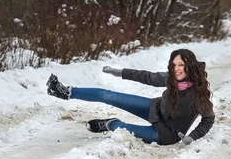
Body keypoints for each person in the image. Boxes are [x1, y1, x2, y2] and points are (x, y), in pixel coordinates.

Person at [46, 48, 214, 145]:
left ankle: (109, 124)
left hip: (166, 134)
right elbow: (147, 76)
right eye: (174, 65)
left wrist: (193, 136)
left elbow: (208, 119)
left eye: (181, 65)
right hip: (155, 109)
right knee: (107, 95)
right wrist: (120, 72)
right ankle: (65, 92)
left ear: (189, 66)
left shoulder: (198, 94)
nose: (176, 69)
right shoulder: (171, 79)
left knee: (121, 128)